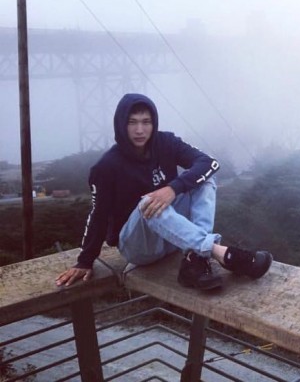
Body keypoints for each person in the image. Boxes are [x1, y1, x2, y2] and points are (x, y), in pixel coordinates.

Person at [55, 93, 272, 291]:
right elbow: (98, 215)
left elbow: (209, 163)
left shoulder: (165, 142)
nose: (140, 130)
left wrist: (172, 189)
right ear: (121, 124)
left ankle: (195, 261)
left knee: (204, 180)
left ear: (154, 123)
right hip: (139, 248)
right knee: (148, 202)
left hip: (172, 239)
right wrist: (84, 261)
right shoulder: (107, 166)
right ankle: (220, 253)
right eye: (132, 122)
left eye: (146, 122)